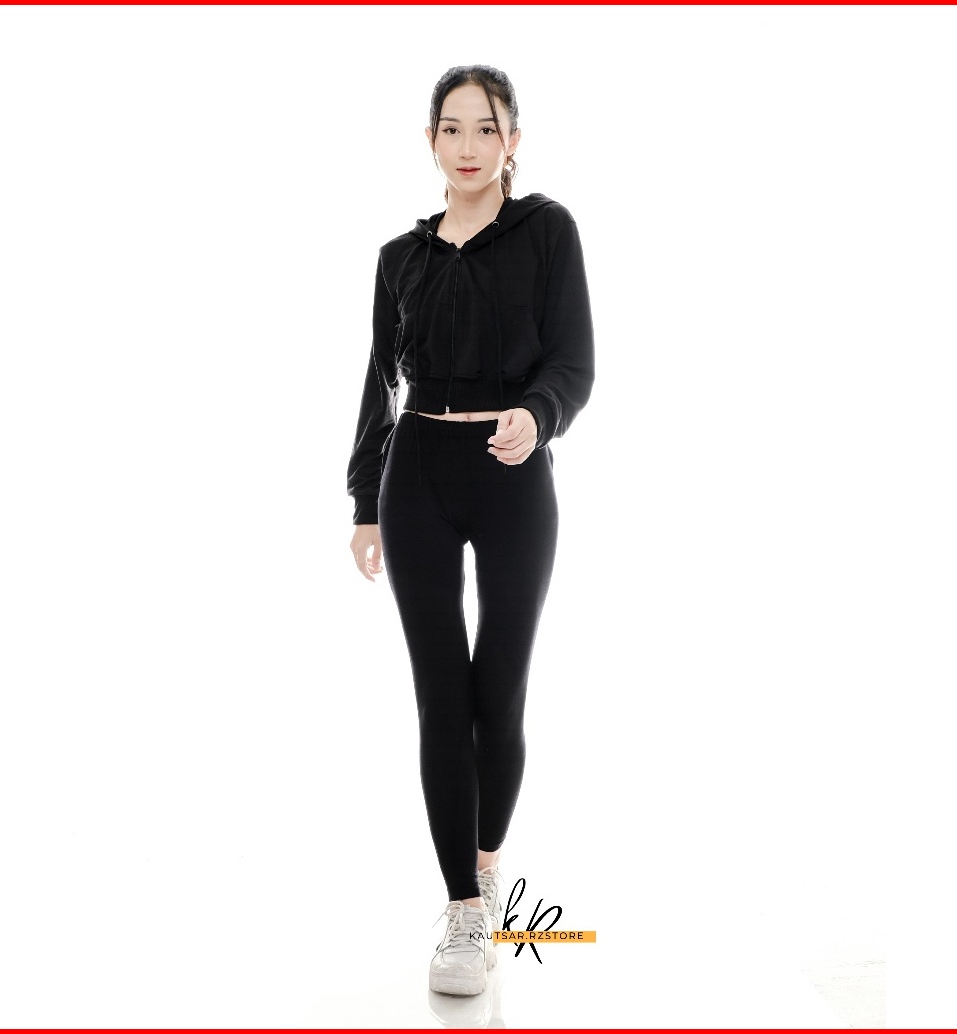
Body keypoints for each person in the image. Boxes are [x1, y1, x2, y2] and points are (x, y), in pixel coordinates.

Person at [346, 64, 594, 997]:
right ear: (430, 141)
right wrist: (365, 501)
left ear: (512, 140)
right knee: (440, 696)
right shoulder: (398, 258)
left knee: (500, 689)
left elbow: (575, 359)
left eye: (485, 128)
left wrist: (538, 413)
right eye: (450, 128)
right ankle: (460, 912)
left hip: (512, 472)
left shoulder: (547, 230)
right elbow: (380, 383)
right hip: (418, 473)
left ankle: (487, 872)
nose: (467, 146)